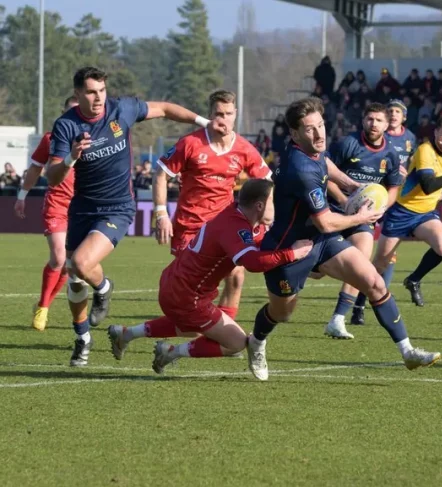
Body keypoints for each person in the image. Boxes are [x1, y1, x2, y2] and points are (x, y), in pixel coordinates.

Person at [245, 97, 441, 381]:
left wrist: (354, 186)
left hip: (322, 241)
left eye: (321, 125)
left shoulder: (312, 151)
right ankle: (257, 342)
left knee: (373, 281)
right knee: (282, 314)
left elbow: (326, 165)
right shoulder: (301, 170)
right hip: (289, 250)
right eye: (310, 129)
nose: (319, 133)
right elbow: (325, 221)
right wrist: (361, 218)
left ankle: (407, 351)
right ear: (295, 134)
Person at [46, 66, 216, 367]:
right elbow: (53, 177)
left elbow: (163, 108)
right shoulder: (66, 126)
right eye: (90, 92)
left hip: (117, 207)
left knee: (82, 263)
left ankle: (104, 287)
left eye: (101, 91)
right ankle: (83, 337)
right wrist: (72, 157)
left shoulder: (121, 109)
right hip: (82, 207)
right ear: (77, 94)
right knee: (74, 279)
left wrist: (204, 123)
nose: (98, 98)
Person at [107, 179, 312, 373]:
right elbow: (252, 263)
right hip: (188, 295)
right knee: (237, 343)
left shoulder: (241, 217)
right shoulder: (234, 226)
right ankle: (170, 352)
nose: (277, 207)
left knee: (192, 328)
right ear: (259, 205)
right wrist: (292, 254)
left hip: (176, 284)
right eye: (273, 202)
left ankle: (127, 333)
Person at [153, 90, 271, 322]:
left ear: (235, 115)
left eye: (228, 113)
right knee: (190, 289)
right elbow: (160, 176)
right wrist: (161, 214)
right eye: (218, 113)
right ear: (209, 114)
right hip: (191, 226)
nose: (223, 119)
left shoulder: (244, 149)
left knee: (236, 275)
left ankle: (225, 330)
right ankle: (178, 326)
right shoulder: (190, 144)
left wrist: (266, 215)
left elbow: (267, 181)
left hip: (224, 226)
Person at [372, 116, 442, 308]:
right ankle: (358, 307)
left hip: (425, 214)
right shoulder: (425, 150)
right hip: (401, 212)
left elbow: (437, 185)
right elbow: (427, 185)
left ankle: (414, 280)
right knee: (380, 264)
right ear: (435, 132)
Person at [323, 102, 403, 340]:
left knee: (361, 258)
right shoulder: (347, 144)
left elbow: (393, 188)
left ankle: (338, 319)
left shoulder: (391, 154)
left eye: (379, 120)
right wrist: (343, 200)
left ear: (387, 124)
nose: (374, 124)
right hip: (332, 210)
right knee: (315, 269)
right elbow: (323, 174)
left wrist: (381, 207)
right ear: (363, 120)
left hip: (363, 216)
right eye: (370, 119)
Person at [14, 96, 79, 331]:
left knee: (68, 265)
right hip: (57, 204)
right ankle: (42, 308)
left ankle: (45, 305)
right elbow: (35, 168)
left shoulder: (93, 143)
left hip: (81, 207)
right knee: (59, 257)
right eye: (69, 112)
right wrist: (21, 197)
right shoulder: (51, 140)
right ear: (63, 114)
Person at [351, 98, 416, 326]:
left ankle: (373, 297)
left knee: (388, 254)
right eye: (391, 111)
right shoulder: (378, 138)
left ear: (402, 117)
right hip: (371, 196)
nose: (393, 114)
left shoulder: (410, 139)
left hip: (393, 197)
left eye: (397, 111)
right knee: (365, 255)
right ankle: (362, 301)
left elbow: (412, 167)